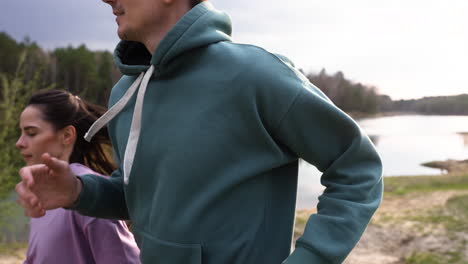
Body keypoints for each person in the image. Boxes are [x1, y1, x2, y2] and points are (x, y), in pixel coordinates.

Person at [16, 1, 384, 263]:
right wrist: (78, 191)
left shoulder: (255, 75)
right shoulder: (125, 94)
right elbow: (138, 197)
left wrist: (313, 257)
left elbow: (357, 168)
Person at [16, 90, 141, 264]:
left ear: (66, 136)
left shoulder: (88, 198)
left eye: (31, 133)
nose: (19, 143)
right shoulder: (44, 193)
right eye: (21, 133)